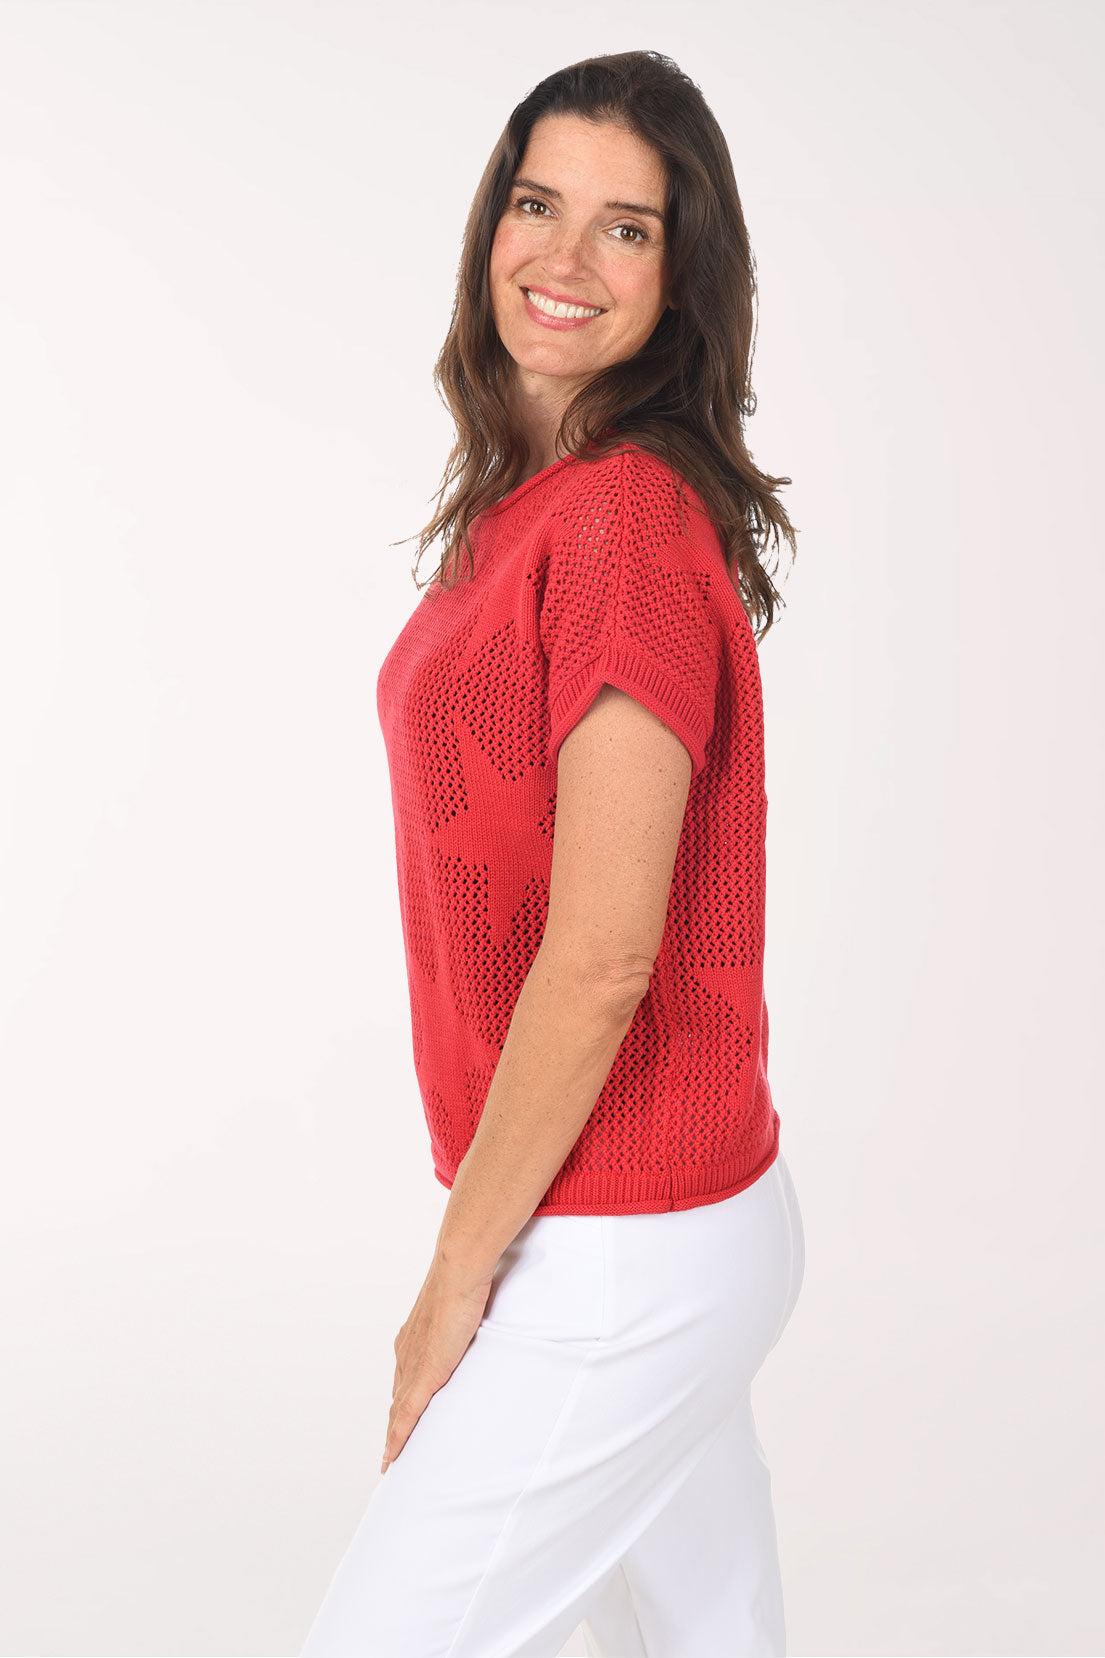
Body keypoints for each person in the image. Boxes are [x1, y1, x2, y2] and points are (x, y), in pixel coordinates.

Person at [299, 48, 805, 1658]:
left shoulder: (618, 525)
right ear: (489, 223)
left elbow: (599, 958)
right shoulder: (541, 503)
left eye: (626, 229)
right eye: (537, 204)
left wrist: (453, 1281)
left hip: (622, 1244)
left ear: (683, 276)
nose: (564, 260)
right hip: (642, 1214)